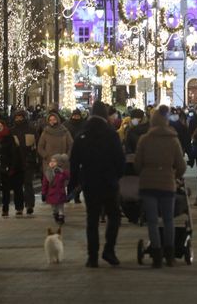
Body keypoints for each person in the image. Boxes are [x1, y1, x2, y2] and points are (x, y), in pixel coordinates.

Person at [69, 101, 125, 268]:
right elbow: (120, 159)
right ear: (105, 115)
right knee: (113, 216)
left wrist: (74, 183)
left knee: (92, 219)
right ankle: (109, 250)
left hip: (90, 182)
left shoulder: (82, 133)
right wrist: (116, 176)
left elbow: (74, 161)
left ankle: (92, 256)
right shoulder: (111, 133)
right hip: (108, 182)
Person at [135, 109, 187, 267]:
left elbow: (137, 164)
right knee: (168, 220)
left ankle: (156, 255)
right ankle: (169, 255)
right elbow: (181, 165)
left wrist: (145, 172)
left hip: (148, 184)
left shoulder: (144, 139)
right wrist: (174, 175)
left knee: (152, 221)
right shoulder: (173, 140)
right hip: (167, 183)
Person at [0, 119, 24, 217]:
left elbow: (13, 154)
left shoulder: (9, 138)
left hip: (6, 168)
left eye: (0, 126)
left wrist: (12, 167)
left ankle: (5, 209)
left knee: (6, 190)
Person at [11, 110, 39, 214]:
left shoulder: (31, 130)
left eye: (20, 117)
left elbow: (36, 146)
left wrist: (36, 160)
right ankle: (19, 207)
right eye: (17, 117)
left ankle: (29, 205)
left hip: (28, 161)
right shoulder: (12, 131)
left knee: (28, 183)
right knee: (18, 185)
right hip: (16, 162)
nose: (18, 119)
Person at [42, 154, 71, 225]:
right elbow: (45, 184)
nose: (52, 162)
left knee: (61, 206)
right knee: (54, 207)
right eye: (51, 161)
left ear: (59, 163)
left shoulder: (62, 172)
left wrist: (63, 170)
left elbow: (68, 176)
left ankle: (61, 216)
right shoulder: (48, 172)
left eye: (54, 161)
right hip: (51, 193)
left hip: (60, 192)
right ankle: (55, 214)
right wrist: (43, 193)